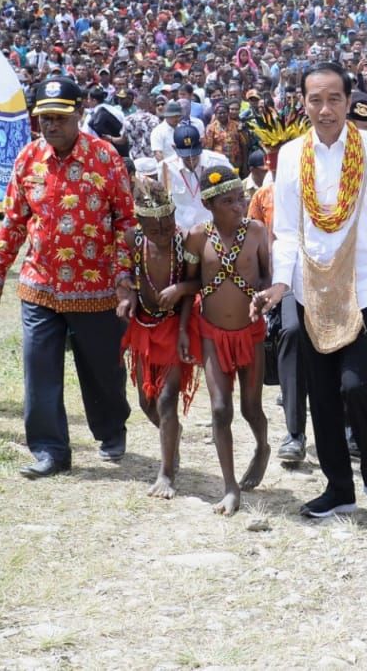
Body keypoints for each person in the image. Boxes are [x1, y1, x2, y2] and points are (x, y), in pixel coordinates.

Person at [251, 62, 367, 520]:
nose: (325, 110)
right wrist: (280, 283)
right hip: (311, 288)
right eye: (315, 100)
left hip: (365, 288)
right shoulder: (290, 156)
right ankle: (338, 488)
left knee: (357, 386)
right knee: (322, 394)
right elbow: (284, 229)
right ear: (303, 103)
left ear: (348, 101)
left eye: (334, 100)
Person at [0, 77, 136, 478]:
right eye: (44, 119)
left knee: (102, 369)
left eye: (60, 118)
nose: (51, 126)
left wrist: (124, 277)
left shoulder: (106, 158)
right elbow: (14, 222)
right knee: (40, 368)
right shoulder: (27, 160)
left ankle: (110, 428)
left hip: (96, 289)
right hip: (41, 285)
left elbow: (125, 222)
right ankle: (50, 449)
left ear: (79, 115)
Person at [185, 166, 271, 516]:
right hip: (211, 334)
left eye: (241, 199)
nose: (239, 207)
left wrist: (263, 295)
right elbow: (191, 282)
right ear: (209, 206)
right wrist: (178, 290)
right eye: (228, 202)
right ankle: (230, 486)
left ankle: (262, 447)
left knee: (251, 408)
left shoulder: (257, 232)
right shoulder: (196, 237)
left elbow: (267, 274)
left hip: (249, 334)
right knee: (221, 409)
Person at [120, 182, 201, 498]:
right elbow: (126, 275)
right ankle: (172, 434)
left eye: (168, 224)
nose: (164, 232)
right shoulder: (133, 240)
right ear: (141, 225)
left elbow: (197, 282)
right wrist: (126, 297)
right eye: (155, 229)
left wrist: (180, 292)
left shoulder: (184, 241)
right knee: (146, 402)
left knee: (167, 399)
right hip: (143, 326)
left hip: (174, 325)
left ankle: (166, 473)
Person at [246, 106, 311, 466]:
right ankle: (294, 433)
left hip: (331, 276)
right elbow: (258, 242)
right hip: (286, 279)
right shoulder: (263, 197)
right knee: (291, 334)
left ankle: (350, 428)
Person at [159, 122, 231, 230]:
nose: (191, 158)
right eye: (186, 155)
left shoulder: (218, 162)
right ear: (174, 148)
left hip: (214, 227)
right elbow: (164, 200)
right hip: (182, 229)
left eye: (194, 153)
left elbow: (234, 192)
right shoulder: (165, 168)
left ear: (201, 143)